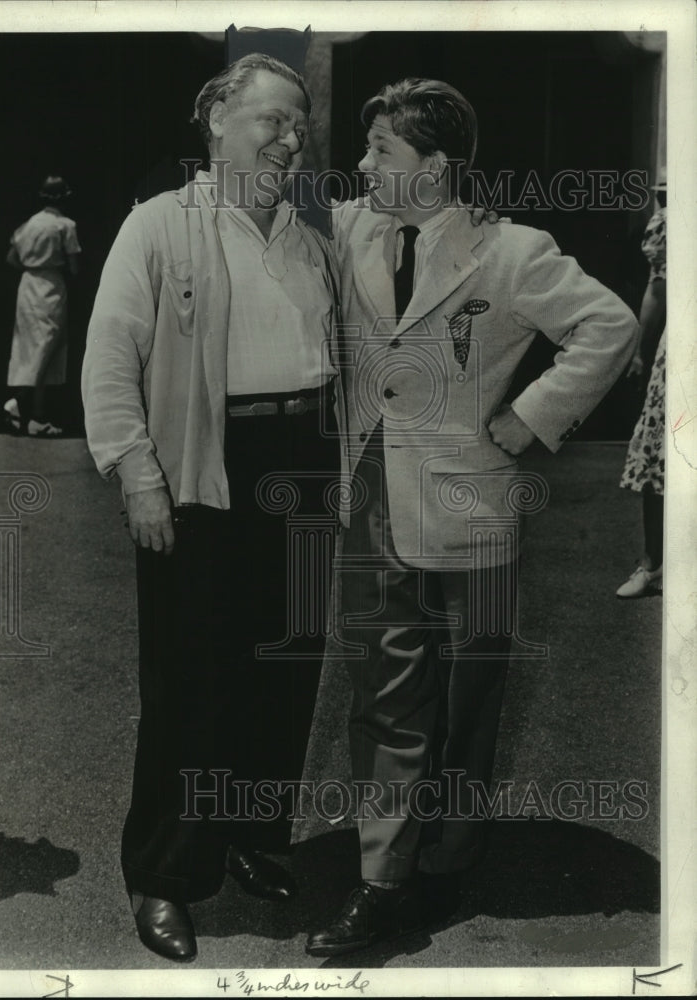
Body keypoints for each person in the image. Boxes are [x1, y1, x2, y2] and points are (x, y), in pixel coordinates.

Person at [305, 78, 639, 957]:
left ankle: (448, 858)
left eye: (381, 151)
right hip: (367, 496)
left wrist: (528, 418)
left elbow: (607, 326)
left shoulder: (514, 252)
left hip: (472, 500)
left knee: (468, 692)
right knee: (383, 699)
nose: (362, 164)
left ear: (435, 166)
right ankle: (381, 880)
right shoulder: (344, 231)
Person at [81, 54, 342, 962]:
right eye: (273, 119)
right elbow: (110, 360)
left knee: (285, 671)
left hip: (303, 470)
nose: (289, 137)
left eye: (299, 124)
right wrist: (138, 476)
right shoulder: (156, 227)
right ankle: (166, 873)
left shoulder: (306, 238)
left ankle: (247, 834)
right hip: (206, 473)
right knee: (193, 684)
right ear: (217, 120)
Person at [616, 174, 666, 598]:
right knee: (660, 456)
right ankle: (653, 565)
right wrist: (637, 352)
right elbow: (658, 288)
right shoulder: (671, 221)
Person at [4, 175, 80, 437]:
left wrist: (32, 264)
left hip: (27, 286)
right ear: (63, 197)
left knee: (31, 347)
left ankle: (35, 414)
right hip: (50, 286)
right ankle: (22, 404)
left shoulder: (29, 225)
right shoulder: (65, 226)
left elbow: (12, 259)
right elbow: (74, 267)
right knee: (46, 348)